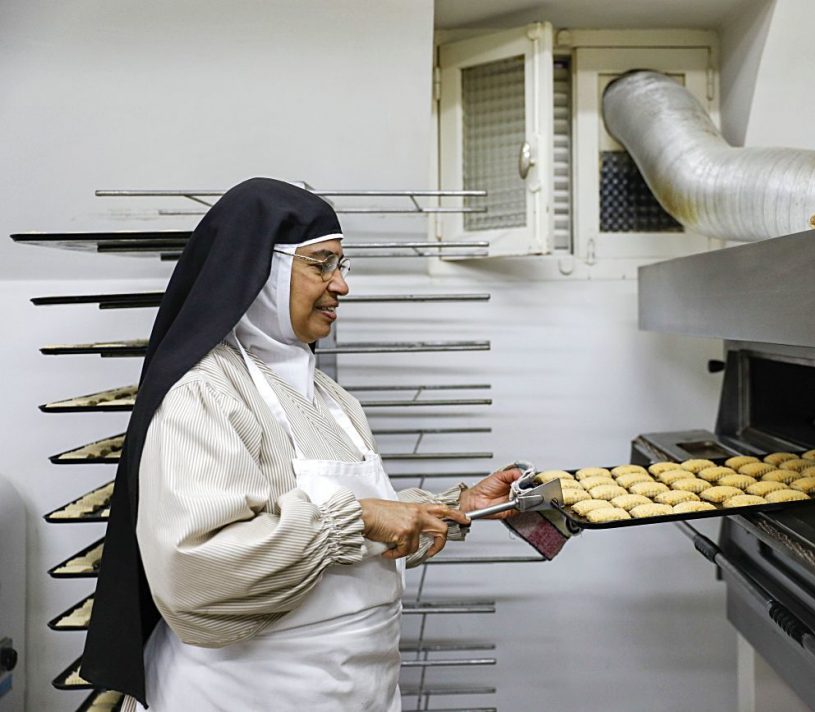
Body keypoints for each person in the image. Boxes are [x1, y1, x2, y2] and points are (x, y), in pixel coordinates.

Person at [80, 178, 523, 711]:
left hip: (348, 690)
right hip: (243, 694)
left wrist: (457, 505)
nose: (342, 286)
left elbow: (353, 538)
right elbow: (194, 575)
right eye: (321, 264)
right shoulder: (204, 394)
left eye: (342, 265)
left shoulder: (331, 399)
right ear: (258, 271)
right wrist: (357, 519)